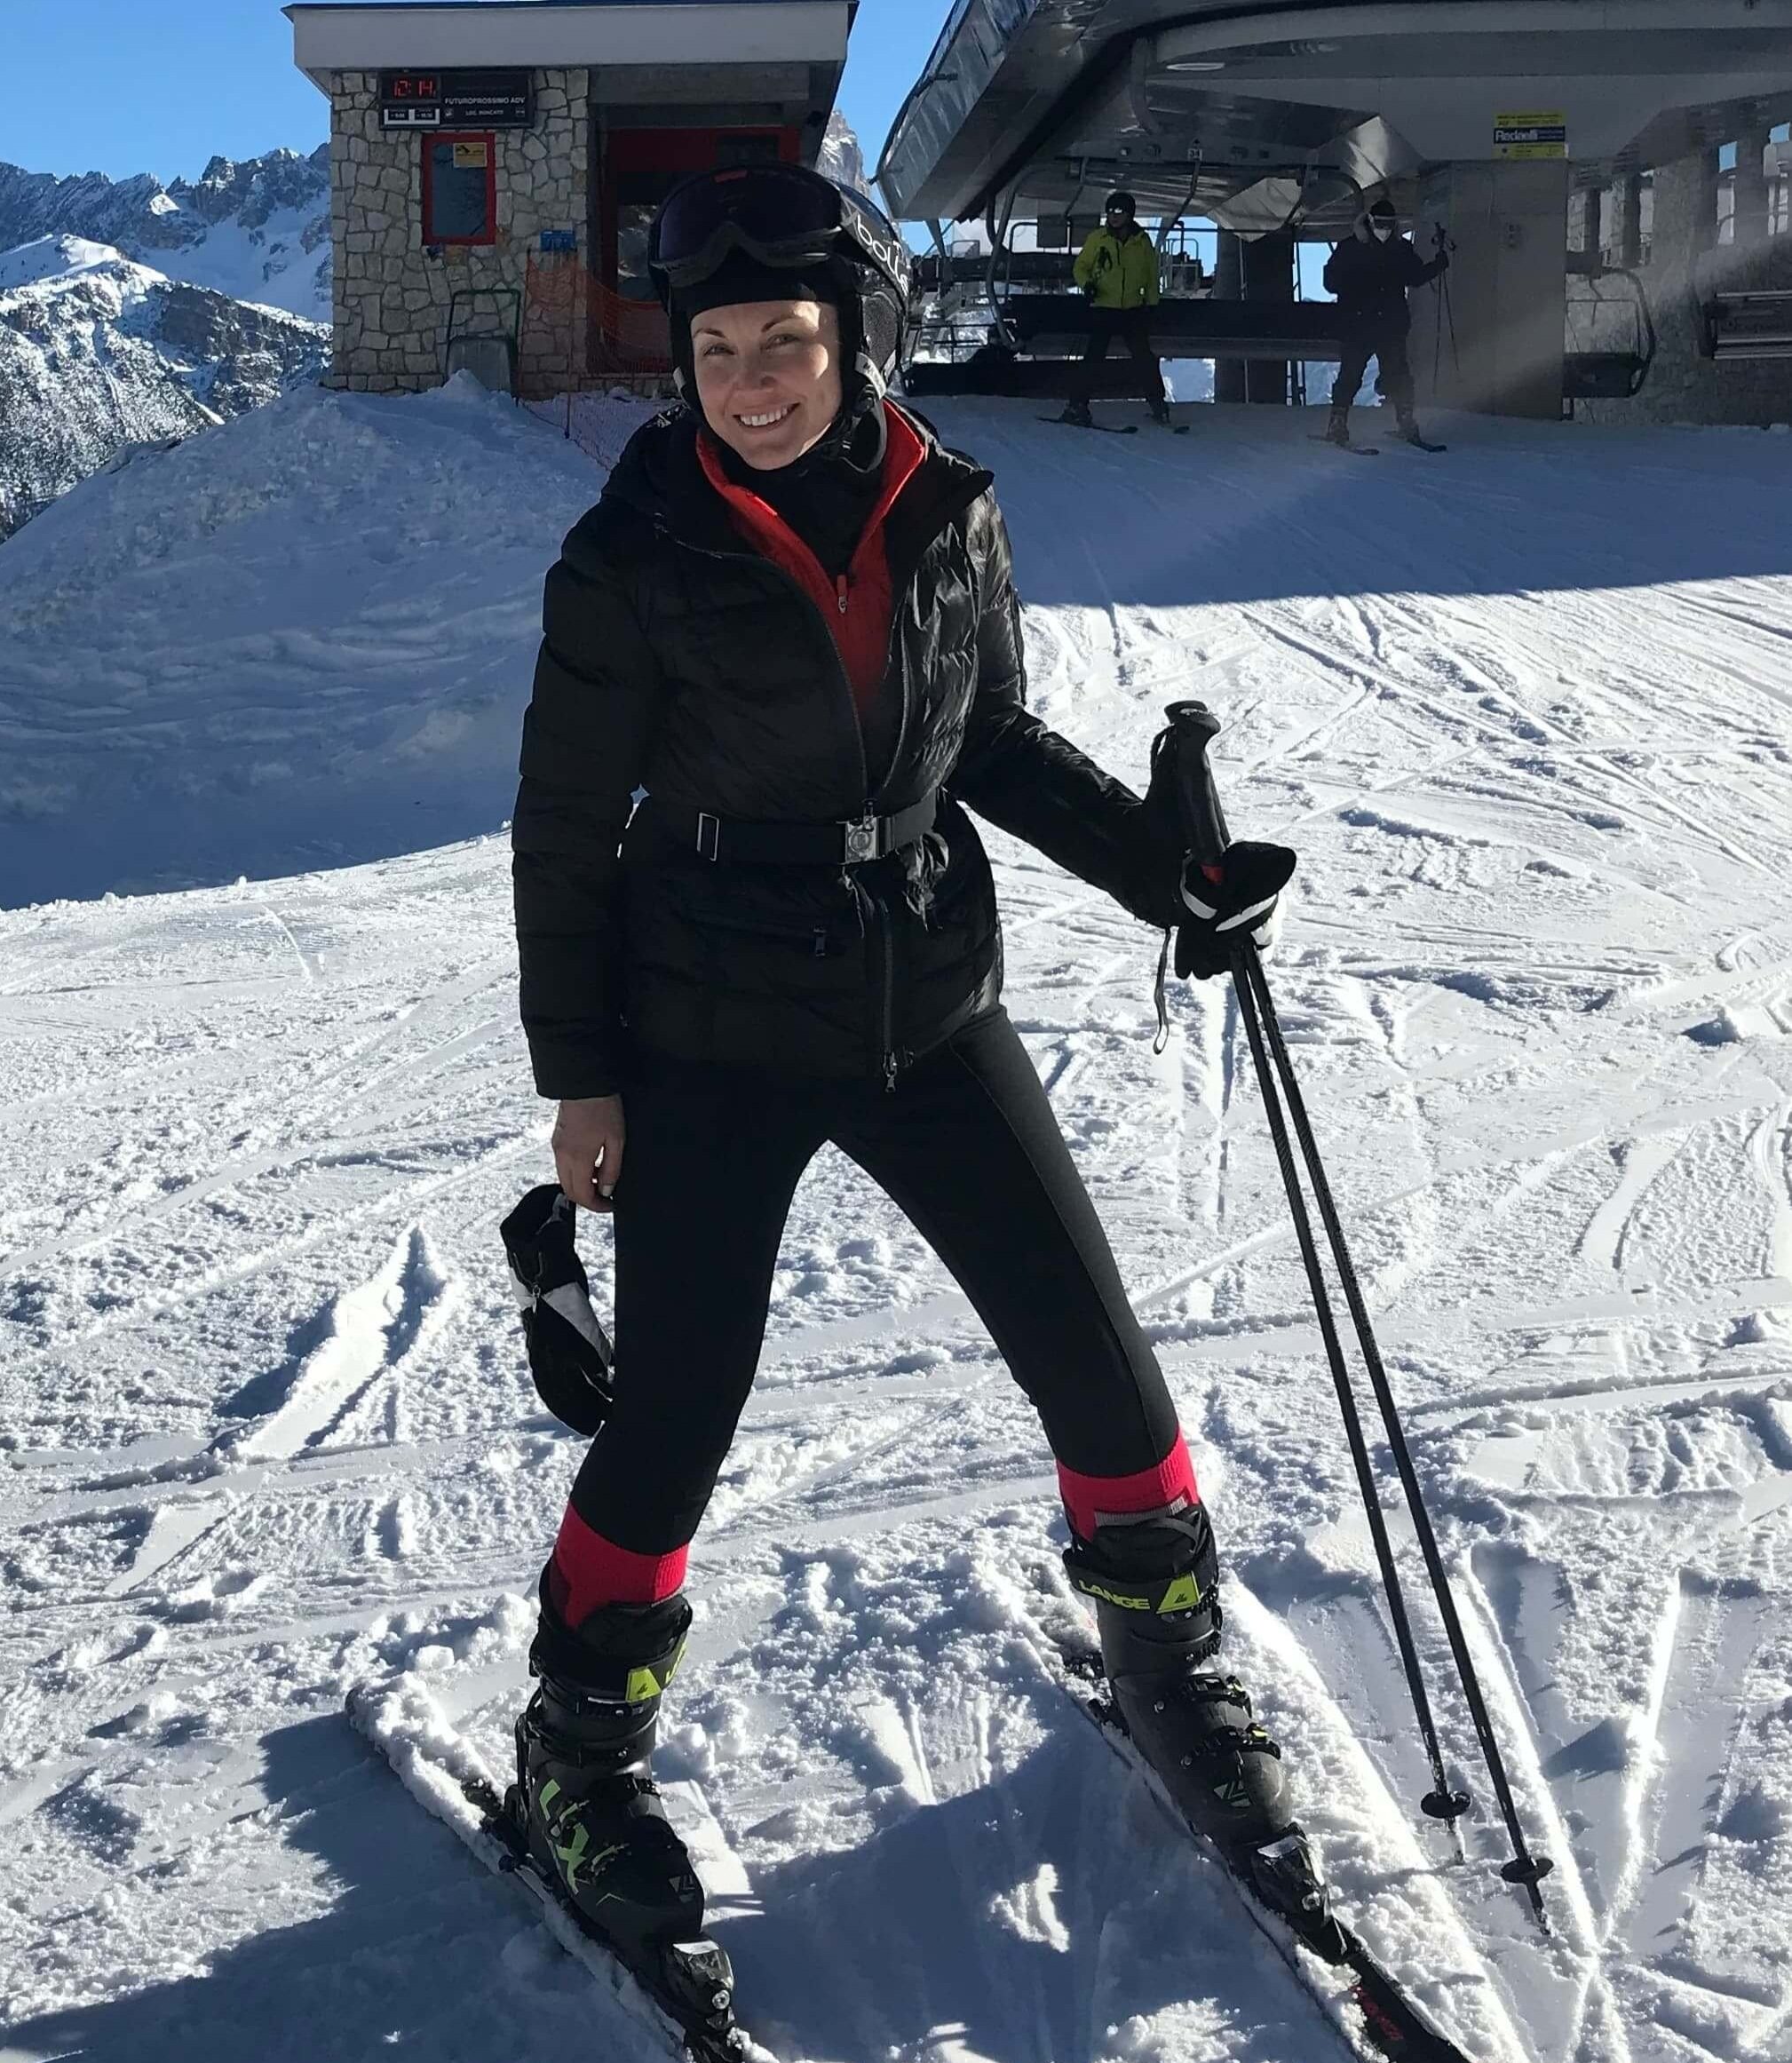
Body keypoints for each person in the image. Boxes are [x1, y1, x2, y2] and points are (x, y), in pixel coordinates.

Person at [507, 161, 1297, 1963]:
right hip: (706, 1026)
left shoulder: (950, 509)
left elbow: (989, 741)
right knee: (674, 1418)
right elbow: (562, 825)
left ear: (860, 338)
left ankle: (1167, 1662)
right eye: (714, 348)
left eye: (782, 339)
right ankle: (575, 1749)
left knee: (1101, 1372)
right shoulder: (630, 550)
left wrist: (1167, 874)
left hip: (925, 1001)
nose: (748, 381)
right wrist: (586, 1075)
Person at [1323, 194, 1449, 448]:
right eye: (1380, 223)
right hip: (1365, 325)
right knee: (1354, 375)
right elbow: (1331, 282)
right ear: (1370, 221)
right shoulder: (1358, 248)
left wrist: (1437, 265)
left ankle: (1401, 419)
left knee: (1397, 375)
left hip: (1380, 325)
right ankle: (1340, 422)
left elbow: (1415, 276)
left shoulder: (1396, 249)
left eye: (1389, 223)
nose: (1384, 228)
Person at [1059, 190, 1170, 429]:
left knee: (1144, 358)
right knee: (1093, 358)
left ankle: (1158, 403)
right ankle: (1077, 405)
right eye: (1110, 211)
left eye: (1119, 211)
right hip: (1103, 307)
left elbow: (1151, 274)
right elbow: (1081, 266)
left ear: (1129, 214)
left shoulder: (1142, 242)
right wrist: (1086, 285)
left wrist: (1152, 303)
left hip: (1132, 309)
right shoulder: (1098, 239)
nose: (1113, 216)